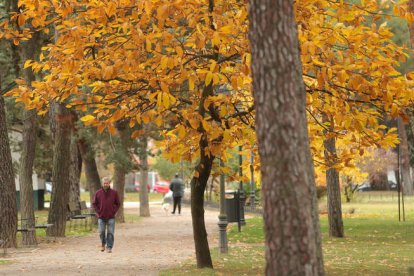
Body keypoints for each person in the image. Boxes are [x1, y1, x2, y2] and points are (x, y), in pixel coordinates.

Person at [92, 177, 120, 253]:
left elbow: (118, 203)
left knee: (110, 232)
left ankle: (109, 247)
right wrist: (98, 212)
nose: (105, 184)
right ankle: (103, 244)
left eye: (107, 183)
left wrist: (114, 211)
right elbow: (94, 204)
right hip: (101, 216)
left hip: (111, 216)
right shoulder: (98, 193)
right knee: (101, 232)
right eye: (104, 183)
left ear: (109, 183)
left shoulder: (114, 193)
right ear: (102, 183)